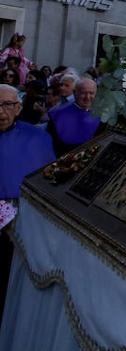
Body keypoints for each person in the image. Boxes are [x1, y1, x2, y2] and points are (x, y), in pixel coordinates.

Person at [0, 84, 55, 311]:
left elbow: (48, 182)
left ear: (19, 108)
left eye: (8, 105)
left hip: (20, 224)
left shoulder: (37, 138)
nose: (1, 112)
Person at [46, 76, 100, 156]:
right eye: (83, 93)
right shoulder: (57, 114)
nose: (87, 97)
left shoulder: (101, 115)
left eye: (91, 93)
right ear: (75, 93)